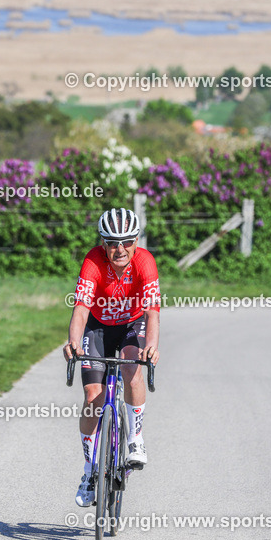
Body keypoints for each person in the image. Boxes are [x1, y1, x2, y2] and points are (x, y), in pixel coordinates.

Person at [63, 208, 160, 507]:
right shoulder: (93, 261)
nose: (120, 249)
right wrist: (74, 341)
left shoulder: (145, 262)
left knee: (133, 365)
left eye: (127, 241)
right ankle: (90, 471)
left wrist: (152, 346)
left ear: (136, 241)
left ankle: (135, 439)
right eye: (112, 242)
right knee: (94, 395)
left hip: (132, 325)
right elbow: (80, 309)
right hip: (98, 327)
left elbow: (152, 311)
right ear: (103, 243)